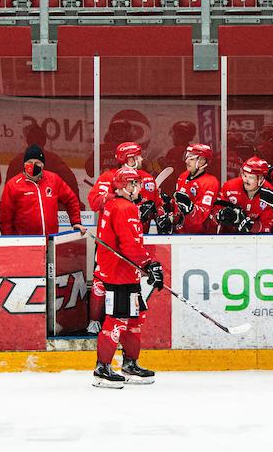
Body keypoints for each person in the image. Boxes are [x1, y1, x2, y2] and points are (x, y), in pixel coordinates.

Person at [92, 166, 165, 389]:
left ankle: (130, 364)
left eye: (137, 183)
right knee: (117, 320)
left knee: (134, 319)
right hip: (119, 274)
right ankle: (102, 368)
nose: (137, 187)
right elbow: (131, 245)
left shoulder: (115, 205)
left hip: (120, 272)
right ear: (124, 186)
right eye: (133, 183)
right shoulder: (124, 208)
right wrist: (149, 264)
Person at [87, 142, 163, 334]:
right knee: (100, 282)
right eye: (138, 156)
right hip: (110, 244)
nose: (142, 159)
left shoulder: (145, 179)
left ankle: (124, 326)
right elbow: (94, 202)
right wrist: (118, 194)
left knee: (130, 288)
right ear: (130, 159)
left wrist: (154, 209)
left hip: (134, 245)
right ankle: (95, 321)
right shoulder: (108, 178)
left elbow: (156, 206)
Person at [0, 144, 84, 236]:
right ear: (24, 164)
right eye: (30, 162)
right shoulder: (13, 185)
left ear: (42, 165)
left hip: (50, 242)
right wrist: (10, 242)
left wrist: (76, 222)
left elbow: (71, 199)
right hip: (25, 244)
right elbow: (5, 219)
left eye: (37, 163)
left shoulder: (53, 180)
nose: (33, 166)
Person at [6, 122, 81, 206]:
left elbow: (8, 197)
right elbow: (70, 183)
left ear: (27, 141)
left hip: (24, 212)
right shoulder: (54, 160)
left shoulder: (16, 162)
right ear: (44, 141)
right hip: (49, 210)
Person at [216, 156, 273, 233]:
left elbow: (267, 228)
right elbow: (215, 213)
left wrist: (249, 225)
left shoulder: (270, 195)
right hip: (229, 237)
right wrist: (220, 216)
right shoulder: (230, 186)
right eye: (244, 175)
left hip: (256, 240)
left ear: (261, 179)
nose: (245, 180)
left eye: (250, 177)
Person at [172, 143, 220, 234]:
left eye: (191, 159)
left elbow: (201, 215)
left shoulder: (210, 182)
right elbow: (177, 207)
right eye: (187, 157)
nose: (187, 161)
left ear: (202, 161)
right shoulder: (183, 176)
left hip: (201, 237)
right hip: (180, 233)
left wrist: (190, 209)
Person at [159, 121, 196, 194]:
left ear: (180, 135)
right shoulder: (192, 151)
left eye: (174, 134)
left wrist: (162, 164)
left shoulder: (175, 152)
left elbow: (171, 175)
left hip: (174, 190)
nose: (173, 136)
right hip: (188, 189)